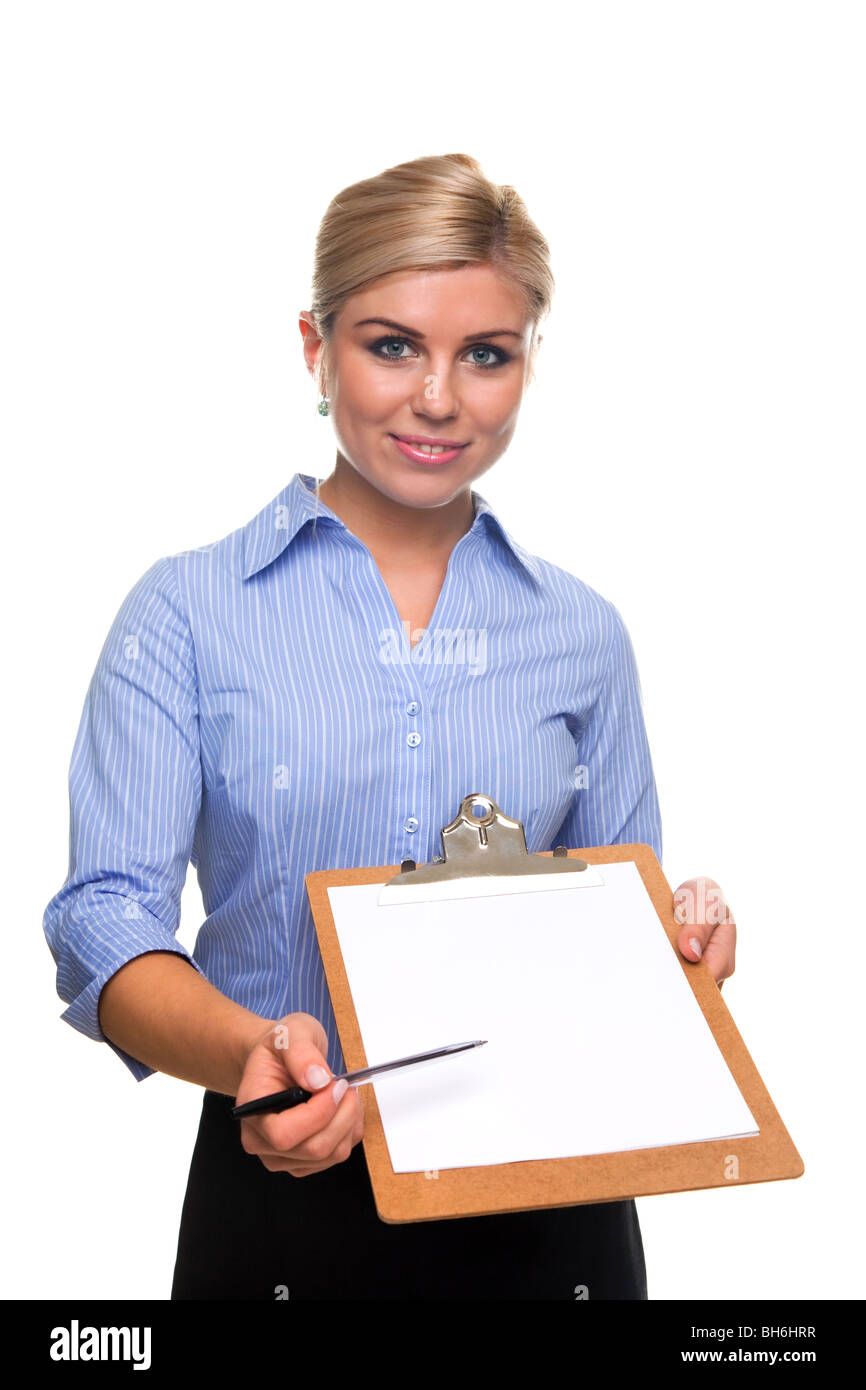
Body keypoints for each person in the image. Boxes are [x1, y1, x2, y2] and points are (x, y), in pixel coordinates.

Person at [43, 152, 737, 1300]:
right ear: (314, 350)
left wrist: (686, 947)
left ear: (525, 366)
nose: (436, 398)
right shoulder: (187, 613)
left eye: (484, 354)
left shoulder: (583, 632)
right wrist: (251, 1056)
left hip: (553, 1214)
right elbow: (104, 914)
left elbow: (625, 915)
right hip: (282, 1197)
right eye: (390, 344)